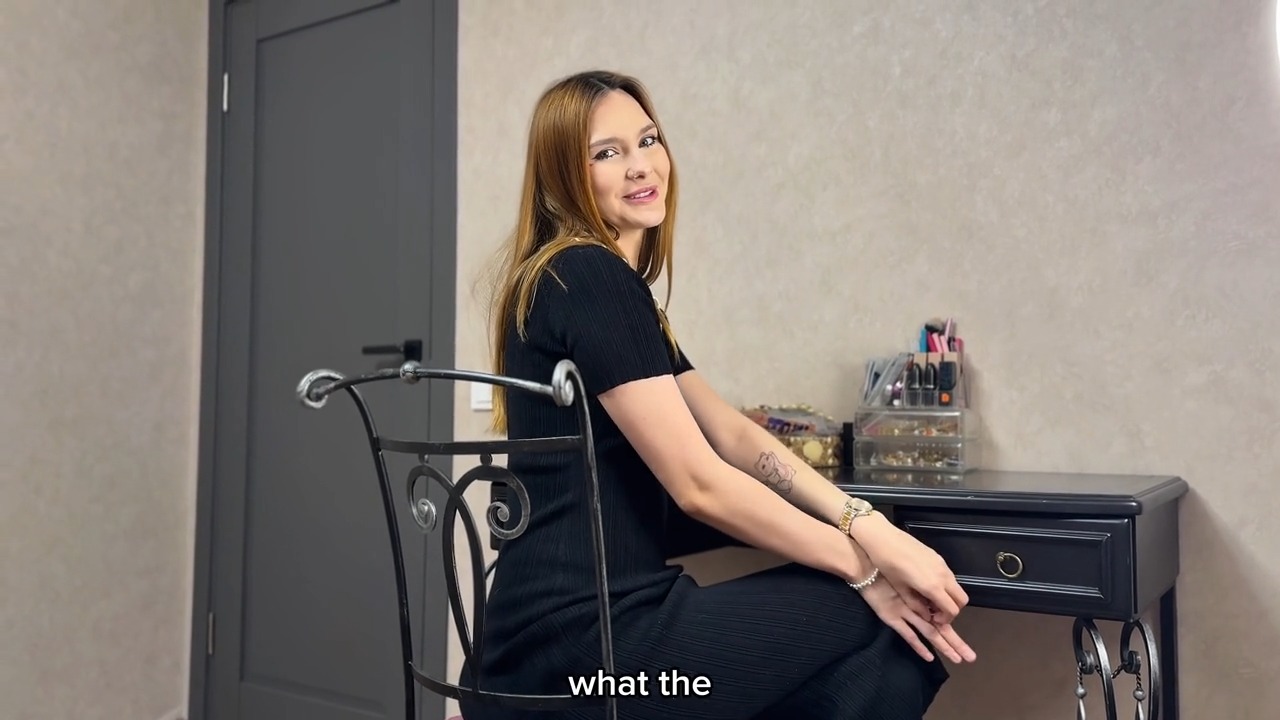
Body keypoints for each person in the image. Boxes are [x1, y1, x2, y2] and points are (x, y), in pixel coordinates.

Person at [460, 70, 977, 720]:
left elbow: (730, 434)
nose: (641, 165)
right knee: (885, 618)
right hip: (586, 656)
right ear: (565, 173)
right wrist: (866, 567)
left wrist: (863, 522)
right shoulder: (588, 275)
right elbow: (699, 485)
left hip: (557, 639)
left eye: (648, 140)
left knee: (894, 651)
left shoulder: (588, 282)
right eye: (607, 152)